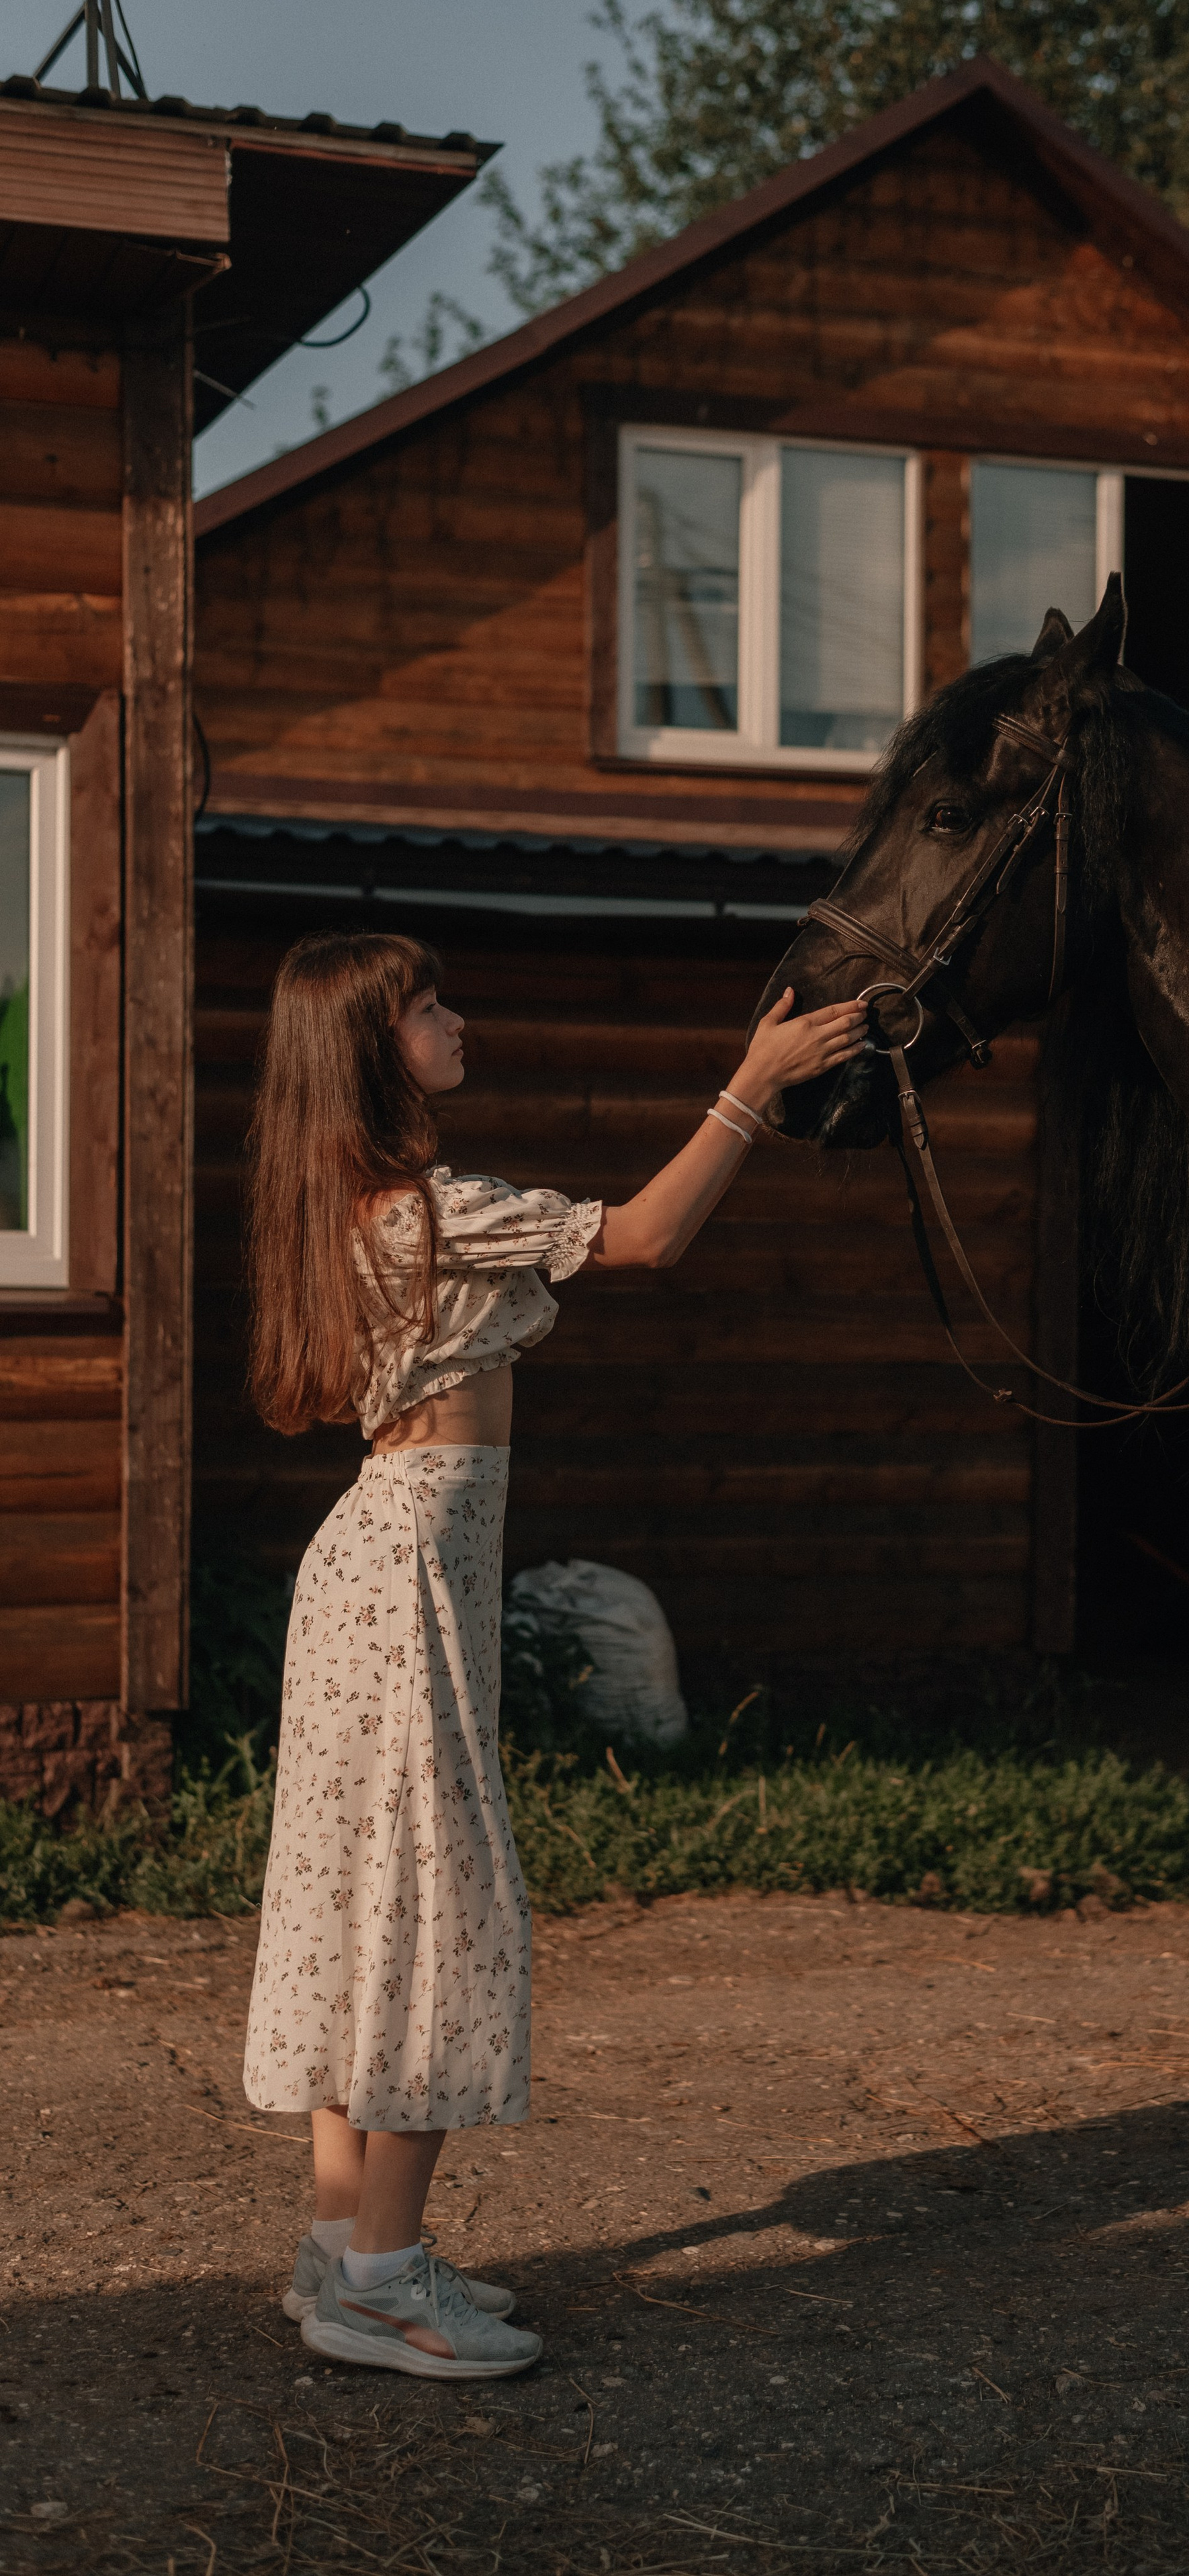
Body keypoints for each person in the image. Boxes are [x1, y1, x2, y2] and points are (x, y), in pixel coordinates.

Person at [239, 930, 865, 2379]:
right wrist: (752, 1083)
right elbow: (643, 1237)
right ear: (367, 1051)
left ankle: (347, 2256)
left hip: (384, 1570)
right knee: (431, 1906)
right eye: (427, 1008)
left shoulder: (370, 1206)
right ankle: (384, 2277)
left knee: (368, 1906)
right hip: (400, 1581)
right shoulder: (426, 1212)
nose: (456, 1021)